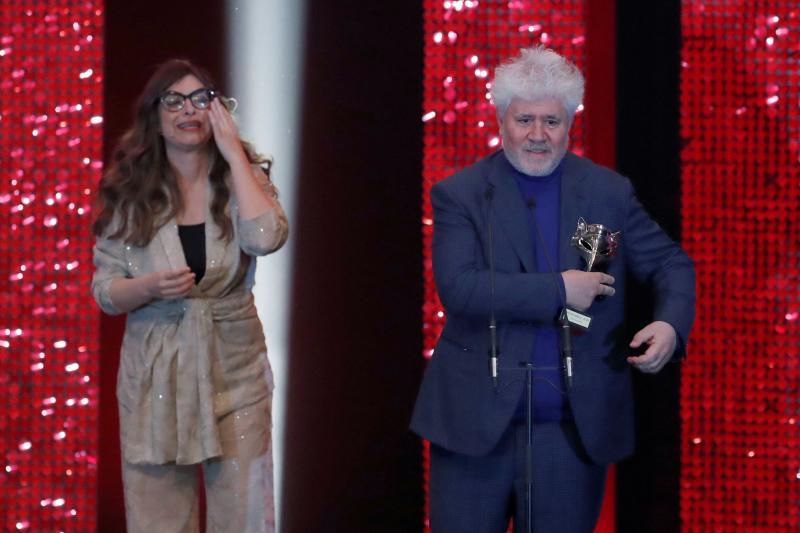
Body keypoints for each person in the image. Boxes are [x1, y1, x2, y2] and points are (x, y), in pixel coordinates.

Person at [410, 46, 696, 532]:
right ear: (501, 119)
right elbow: (459, 289)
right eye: (525, 120)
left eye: (552, 121)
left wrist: (670, 324)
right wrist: (559, 290)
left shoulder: (607, 192)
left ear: (570, 121)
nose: (538, 135)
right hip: (474, 424)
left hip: (572, 429)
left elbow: (670, 263)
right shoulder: (461, 193)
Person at [91, 59, 288, 532]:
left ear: (217, 110)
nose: (188, 111)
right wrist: (148, 287)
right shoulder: (130, 190)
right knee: (158, 515)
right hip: (155, 370)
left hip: (234, 367)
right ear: (154, 115)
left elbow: (265, 237)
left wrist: (234, 154)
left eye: (200, 99)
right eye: (174, 101)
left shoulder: (241, 177)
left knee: (244, 513)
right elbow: (105, 291)